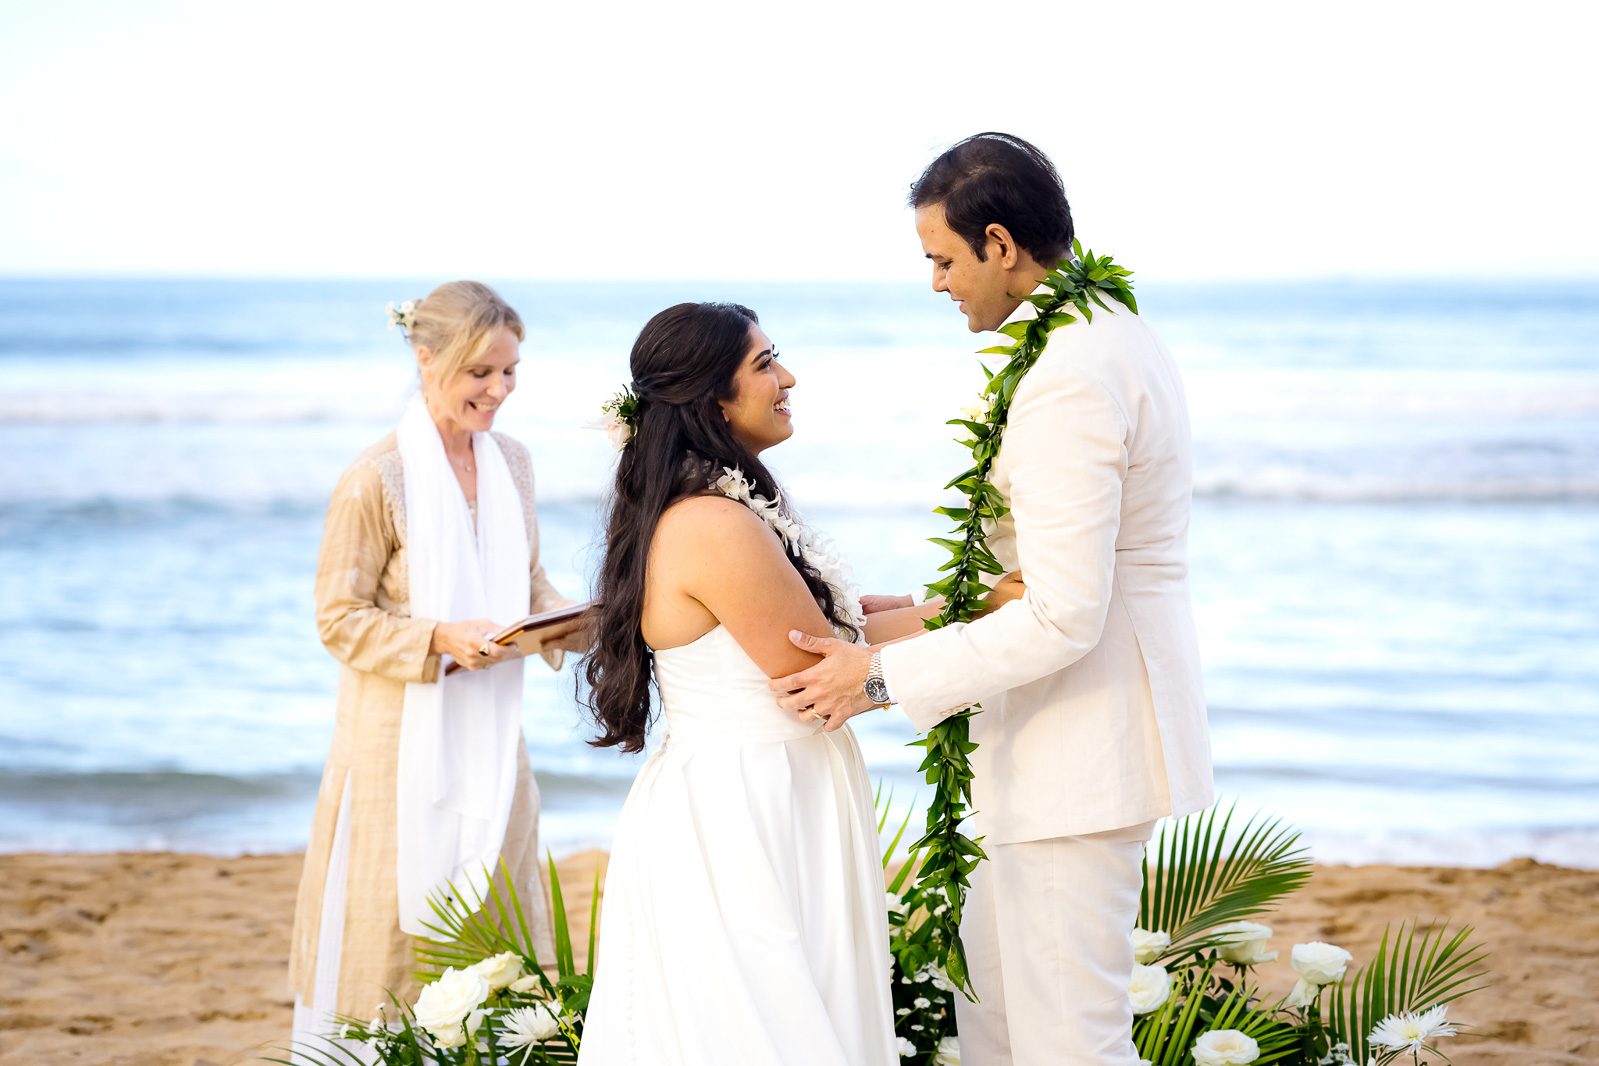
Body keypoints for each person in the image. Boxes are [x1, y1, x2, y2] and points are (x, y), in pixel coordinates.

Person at [768, 133, 1216, 1066]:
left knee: (1066, 1043)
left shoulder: (1070, 376)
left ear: (1000, 244)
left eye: (941, 259)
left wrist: (878, 677)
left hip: (1079, 748)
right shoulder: (1102, 337)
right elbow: (1051, 572)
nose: (935, 283)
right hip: (1050, 748)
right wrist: (946, 602)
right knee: (1001, 1028)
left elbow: (1061, 612)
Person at [574, 302, 992, 1066]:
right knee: (769, 1030)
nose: (786, 376)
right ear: (712, 400)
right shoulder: (710, 522)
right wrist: (987, 610)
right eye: (765, 364)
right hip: (745, 810)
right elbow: (820, 670)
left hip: (778, 789)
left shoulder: (721, 505)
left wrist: (947, 608)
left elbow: (830, 642)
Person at [289, 281, 585, 1054]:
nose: (499, 391)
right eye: (480, 373)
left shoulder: (512, 464)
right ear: (426, 360)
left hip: (494, 739)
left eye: (510, 371)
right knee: (387, 940)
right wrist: (439, 639)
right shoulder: (374, 478)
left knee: (498, 925)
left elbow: (527, 584)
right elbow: (338, 618)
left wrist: (578, 622)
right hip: (394, 747)